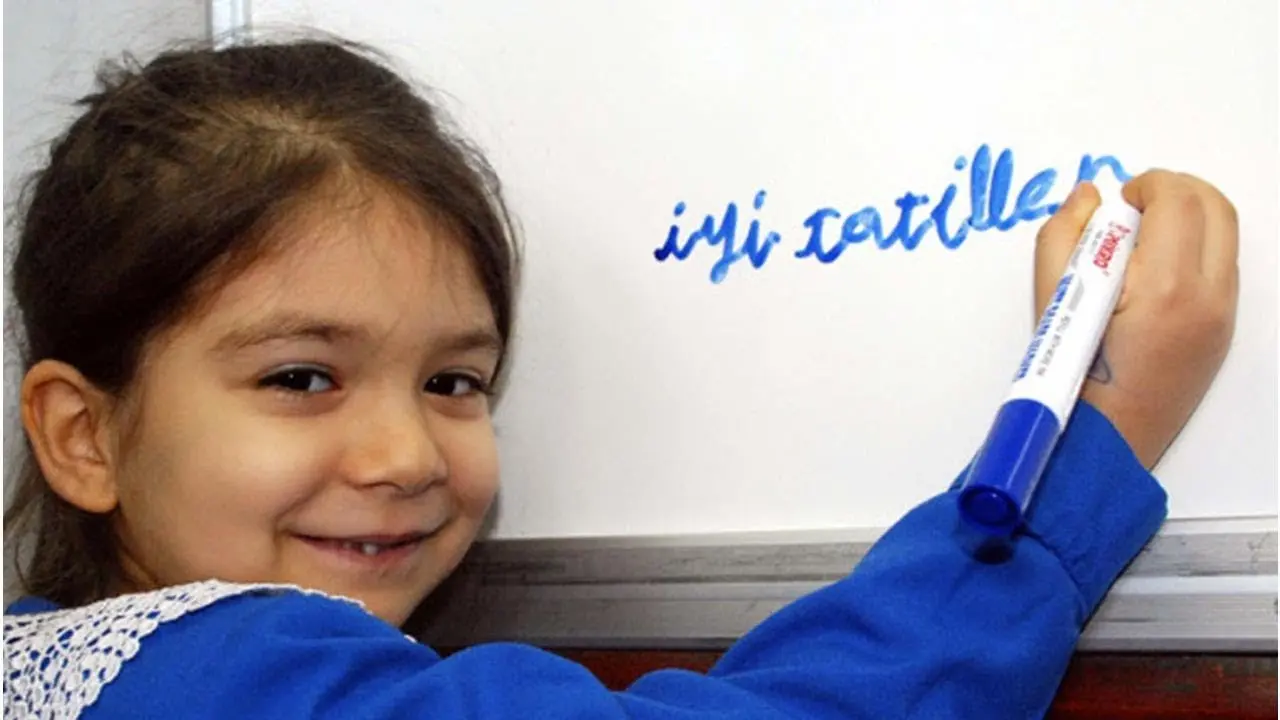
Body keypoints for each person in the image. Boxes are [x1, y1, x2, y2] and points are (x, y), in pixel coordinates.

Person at [2, 37, 1238, 719]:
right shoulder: (229, 679)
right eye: (300, 376)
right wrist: (1089, 442)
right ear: (83, 435)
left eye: (453, 382)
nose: (406, 456)